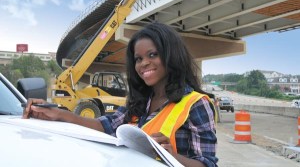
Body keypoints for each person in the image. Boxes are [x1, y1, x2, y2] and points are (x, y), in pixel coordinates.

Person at [23, 22, 218, 167]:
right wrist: (59, 114)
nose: (143, 63)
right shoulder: (140, 101)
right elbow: (104, 125)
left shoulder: (196, 104)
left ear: (171, 55)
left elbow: (207, 163)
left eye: (152, 55)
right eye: (138, 59)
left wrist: (170, 155)